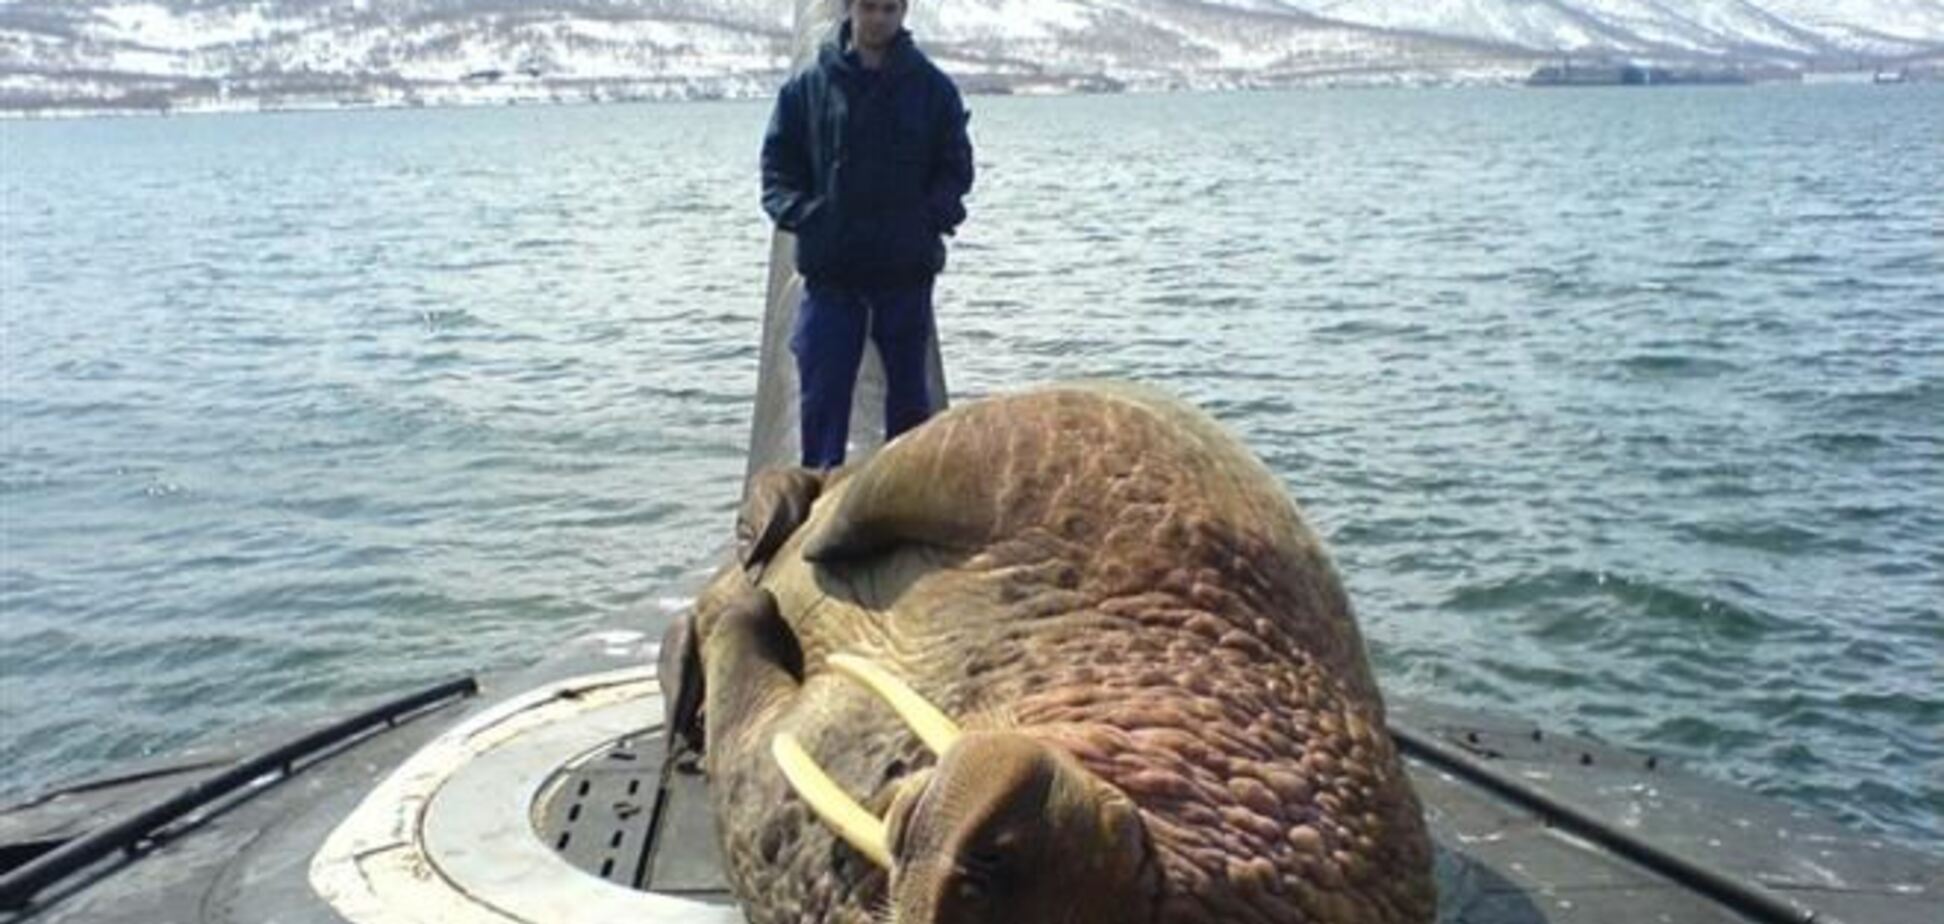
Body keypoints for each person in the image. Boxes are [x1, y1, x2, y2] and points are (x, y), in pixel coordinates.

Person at [761, 0, 974, 471]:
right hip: (833, 275)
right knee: (822, 395)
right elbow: (777, 171)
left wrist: (928, 218)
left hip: (904, 273)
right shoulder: (807, 90)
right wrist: (810, 217)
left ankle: (908, 493)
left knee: (910, 404)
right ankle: (821, 491)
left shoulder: (932, 90)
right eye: (870, 8)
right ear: (852, 10)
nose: (878, 19)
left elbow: (955, 167)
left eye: (889, 9)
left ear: (903, 13)